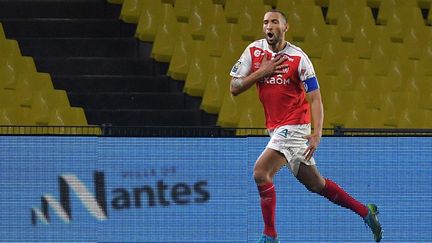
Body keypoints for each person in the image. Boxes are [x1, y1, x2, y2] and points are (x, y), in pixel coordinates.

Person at [229, 9, 383, 243]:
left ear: (285, 27)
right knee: (316, 184)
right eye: (265, 23)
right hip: (276, 127)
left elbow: (315, 98)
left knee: (261, 172)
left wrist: (317, 133)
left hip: (296, 125)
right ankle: (365, 212)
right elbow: (234, 87)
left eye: (274, 22)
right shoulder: (254, 51)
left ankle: (270, 236)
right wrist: (262, 72)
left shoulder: (299, 58)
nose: (269, 26)